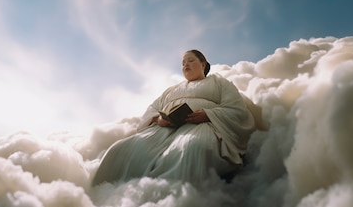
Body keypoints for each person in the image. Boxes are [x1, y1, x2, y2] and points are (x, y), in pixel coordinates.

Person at [92, 49, 257, 185]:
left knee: (190, 148)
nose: (185, 64)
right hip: (164, 129)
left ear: (203, 64)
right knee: (120, 150)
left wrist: (208, 114)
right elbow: (152, 108)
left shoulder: (219, 83)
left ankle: (169, 206)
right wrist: (158, 119)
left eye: (190, 60)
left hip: (201, 127)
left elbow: (237, 109)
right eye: (183, 63)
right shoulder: (172, 90)